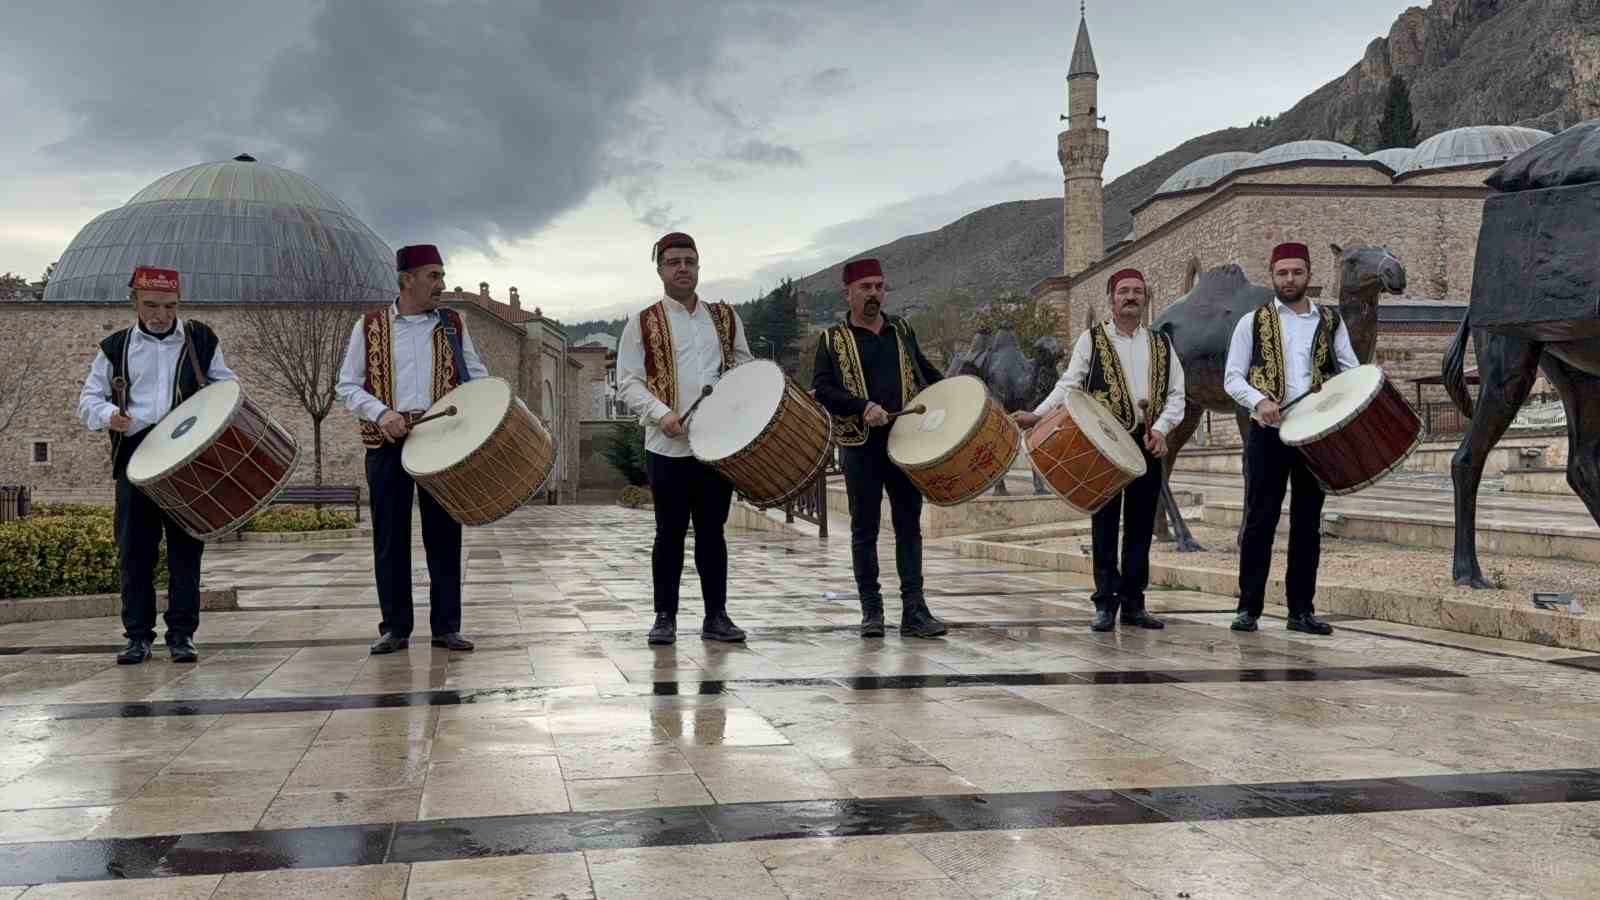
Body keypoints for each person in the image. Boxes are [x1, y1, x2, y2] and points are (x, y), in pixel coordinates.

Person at [77, 266, 238, 664]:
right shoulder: (113, 348)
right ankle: (137, 637)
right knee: (135, 552)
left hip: (187, 455)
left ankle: (182, 634)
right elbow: (88, 400)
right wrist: (109, 415)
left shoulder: (201, 339)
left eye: (168, 306)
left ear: (178, 303)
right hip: (136, 456)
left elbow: (228, 385)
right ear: (134, 302)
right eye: (151, 305)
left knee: (186, 551)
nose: (160, 314)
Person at [1014, 268, 1185, 632]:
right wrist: (1039, 414)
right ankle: (1105, 604)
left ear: (1146, 297)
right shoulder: (1091, 340)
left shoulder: (1161, 344)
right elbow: (1070, 385)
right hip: (1102, 442)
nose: (1131, 297)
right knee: (1105, 524)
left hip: (1147, 442)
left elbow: (1176, 395)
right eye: (1123, 291)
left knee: (1140, 527)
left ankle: (1134, 604)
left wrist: (1161, 428)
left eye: (1137, 291)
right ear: (1111, 298)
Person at [336, 244, 487, 654]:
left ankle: (447, 627)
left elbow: (476, 378)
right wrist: (382, 413)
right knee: (389, 536)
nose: (441, 284)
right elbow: (347, 385)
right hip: (386, 442)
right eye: (433, 276)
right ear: (407, 280)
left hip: (441, 442)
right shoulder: (368, 326)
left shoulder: (454, 324)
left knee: (444, 534)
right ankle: (395, 627)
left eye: (441, 275)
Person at [616, 232, 754, 646]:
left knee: (713, 532)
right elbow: (628, 382)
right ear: (659, 269)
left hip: (715, 447)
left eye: (689, 261)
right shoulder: (642, 322)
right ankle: (664, 617)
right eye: (673, 261)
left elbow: (743, 368)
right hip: (667, 447)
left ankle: (717, 616)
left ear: (698, 266)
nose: (682, 268)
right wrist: (661, 414)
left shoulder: (726, 319)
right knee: (669, 533)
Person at [1223, 242, 1358, 635]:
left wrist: (1337, 393)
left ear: (1309, 275)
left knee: (1307, 521)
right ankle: (1248, 608)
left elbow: (1350, 371)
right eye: (1282, 273)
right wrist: (1259, 400)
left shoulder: (1331, 322)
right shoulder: (1252, 321)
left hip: (1315, 434)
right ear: (1272, 275)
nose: (1290, 279)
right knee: (1259, 520)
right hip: (1268, 432)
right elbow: (1233, 377)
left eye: (1297, 272)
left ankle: (1301, 611)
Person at [812, 258, 947, 638]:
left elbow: (924, 371)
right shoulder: (831, 340)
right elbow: (823, 388)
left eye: (878, 287)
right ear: (848, 292)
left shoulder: (901, 330)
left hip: (905, 442)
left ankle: (915, 611)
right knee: (864, 530)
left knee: (909, 527)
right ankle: (872, 611)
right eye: (865, 287)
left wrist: (955, 395)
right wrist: (861, 406)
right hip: (861, 447)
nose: (873, 294)